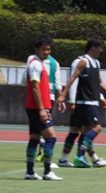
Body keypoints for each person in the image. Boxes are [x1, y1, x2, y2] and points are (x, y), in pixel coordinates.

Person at [57, 37, 106, 168]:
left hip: (92, 101)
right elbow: (72, 79)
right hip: (85, 102)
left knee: (82, 131)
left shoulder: (96, 63)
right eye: (100, 47)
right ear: (93, 47)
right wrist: (65, 96)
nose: (101, 50)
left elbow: (98, 82)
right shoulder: (83, 61)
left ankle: (87, 159)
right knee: (96, 128)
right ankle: (80, 156)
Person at [23, 35, 62, 180]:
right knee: (51, 137)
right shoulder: (35, 64)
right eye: (44, 49)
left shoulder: (40, 63)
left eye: (49, 49)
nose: (47, 52)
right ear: (37, 49)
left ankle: (30, 172)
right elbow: (35, 88)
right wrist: (41, 109)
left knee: (34, 138)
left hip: (35, 107)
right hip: (37, 108)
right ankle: (47, 171)